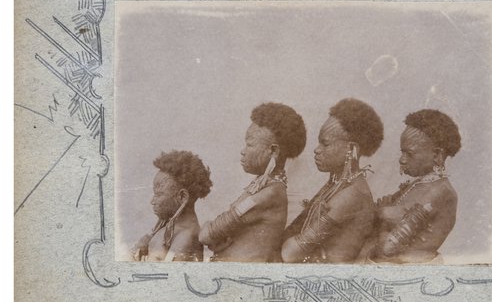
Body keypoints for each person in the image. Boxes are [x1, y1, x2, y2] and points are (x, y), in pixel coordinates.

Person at [198, 102, 307, 262]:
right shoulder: (265, 187)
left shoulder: (269, 194)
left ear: (273, 151)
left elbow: (206, 235)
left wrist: (212, 231)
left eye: (250, 144)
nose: (243, 151)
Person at [281, 98, 384, 263]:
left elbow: (290, 253)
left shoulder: (351, 195)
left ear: (352, 149)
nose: (316, 150)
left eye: (325, 144)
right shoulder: (338, 184)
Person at [358, 109, 461, 264]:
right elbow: (381, 213)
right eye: (402, 152)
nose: (402, 160)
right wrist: (384, 215)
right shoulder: (416, 184)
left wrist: (381, 215)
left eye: (409, 153)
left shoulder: (441, 191)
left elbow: (387, 249)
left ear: (437, 155)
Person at [131, 150, 212, 262]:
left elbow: (170, 277)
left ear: (183, 197)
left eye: (159, 194)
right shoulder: (171, 229)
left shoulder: (186, 237)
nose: (152, 201)